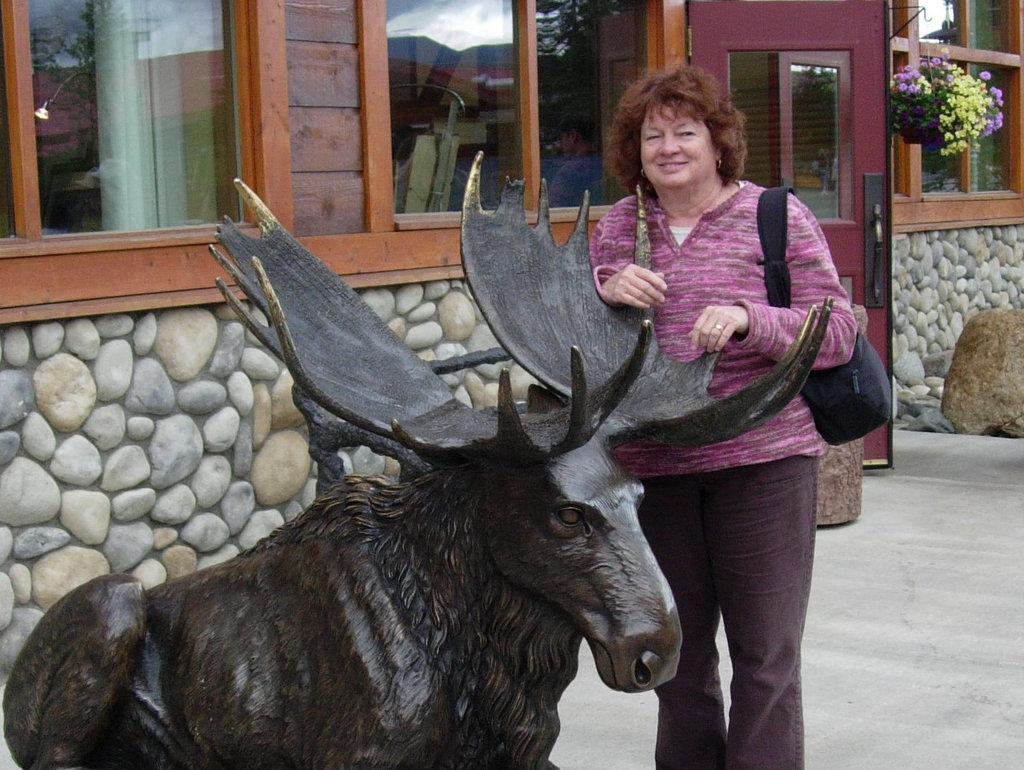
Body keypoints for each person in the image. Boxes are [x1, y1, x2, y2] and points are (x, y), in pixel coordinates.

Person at [589, 65, 858, 769]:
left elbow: (837, 334)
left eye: (685, 131)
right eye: (653, 135)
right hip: (654, 472)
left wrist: (751, 320)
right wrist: (604, 291)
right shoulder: (618, 227)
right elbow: (577, 343)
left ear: (716, 142)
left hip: (764, 466)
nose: (669, 147)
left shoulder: (773, 216)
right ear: (634, 149)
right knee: (676, 662)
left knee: (766, 660)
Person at [548, 114, 604, 206]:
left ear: (573, 136)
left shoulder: (570, 171)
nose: (559, 145)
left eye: (560, 137)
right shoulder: (606, 164)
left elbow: (552, 207)